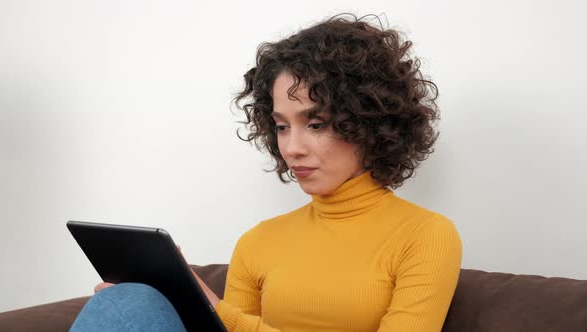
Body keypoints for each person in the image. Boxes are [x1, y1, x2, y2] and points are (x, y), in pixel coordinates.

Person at [71, 13, 462, 332]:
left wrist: (219, 309)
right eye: (280, 125)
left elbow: (235, 324)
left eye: (316, 124)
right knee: (130, 299)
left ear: (369, 122)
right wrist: (182, 301)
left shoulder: (425, 235)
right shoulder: (259, 241)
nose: (292, 147)